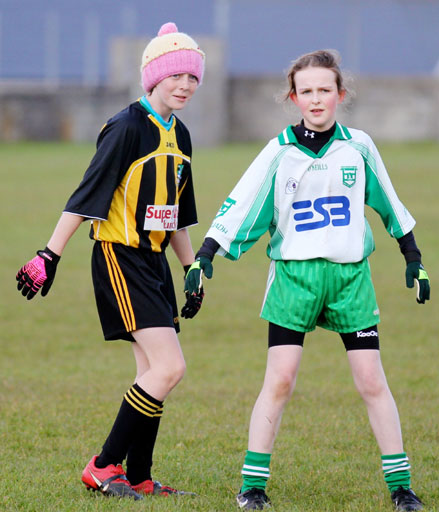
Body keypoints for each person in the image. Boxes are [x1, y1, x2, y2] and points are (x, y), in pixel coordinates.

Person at [184, 50, 430, 511]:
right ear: (293, 97)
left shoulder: (359, 146)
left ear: (339, 94)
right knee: (280, 379)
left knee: (371, 381)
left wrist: (412, 257)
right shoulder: (279, 151)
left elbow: (390, 203)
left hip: (350, 279)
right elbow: (242, 202)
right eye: (306, 91)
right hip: (294, 278)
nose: (316, 99)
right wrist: (205, 257)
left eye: (325, 90)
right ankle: (252, 487)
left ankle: (402, 489)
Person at [16, 22, 206, 501]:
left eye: (193, 78)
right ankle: (102, 466)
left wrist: (191, 270)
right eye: (176, 76)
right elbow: (86, 195)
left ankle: (138, 475)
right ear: (153, 77)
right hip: (119, 258)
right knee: (168, 368)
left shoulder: (179, 134)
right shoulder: (125, 127)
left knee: (151, 373)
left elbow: (177, 214)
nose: (185, 85)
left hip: (156, 262)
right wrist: (49, 255)